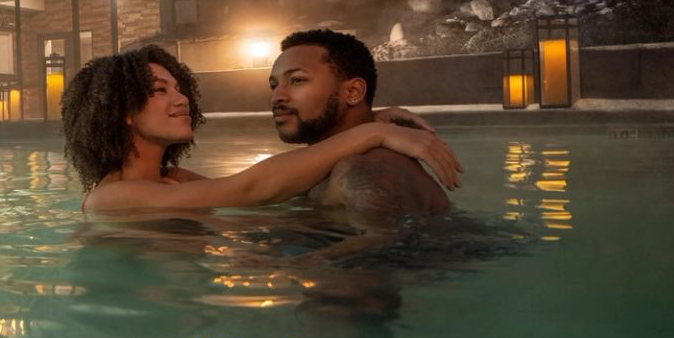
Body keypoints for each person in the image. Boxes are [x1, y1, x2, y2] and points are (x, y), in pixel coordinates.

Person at [66, 44, 460, 219]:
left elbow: (277, 195)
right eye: (159, 91)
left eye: (179, 87)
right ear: (123, 114)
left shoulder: (173, 182)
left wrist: (363, 117)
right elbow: (251, 189)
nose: (182, 99)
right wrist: (371, 134)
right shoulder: (110, 198)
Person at [270, 28, 453, 226]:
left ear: (353, 92)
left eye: (297, 80)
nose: (277, 97)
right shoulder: (323, 169)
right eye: (274, 85)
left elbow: (389, 247)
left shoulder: (365, 169)